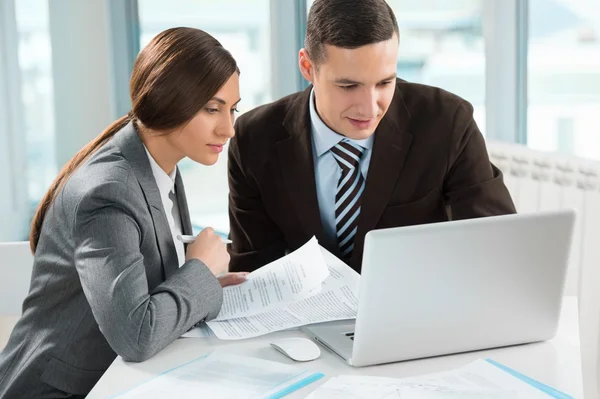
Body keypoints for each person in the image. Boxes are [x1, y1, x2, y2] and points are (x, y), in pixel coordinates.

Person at [0, 27, 246, 398]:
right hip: (63, 390)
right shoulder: (108, 192)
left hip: (120, 379)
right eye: (212, 108)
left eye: (233, 109)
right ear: (168, 101)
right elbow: (137, 336)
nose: (228, 128)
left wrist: (203, 281)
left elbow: (141, 285)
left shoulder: (160, 164)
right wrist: (199, 273)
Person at [228, 0, 516, 273]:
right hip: (305, 319)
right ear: (308, 67)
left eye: (384, 82)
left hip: (416, 314)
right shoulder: (254, 138)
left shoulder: (447, 122)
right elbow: (253, 270)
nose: (370, 107)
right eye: (349, 85)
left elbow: (499, 246)